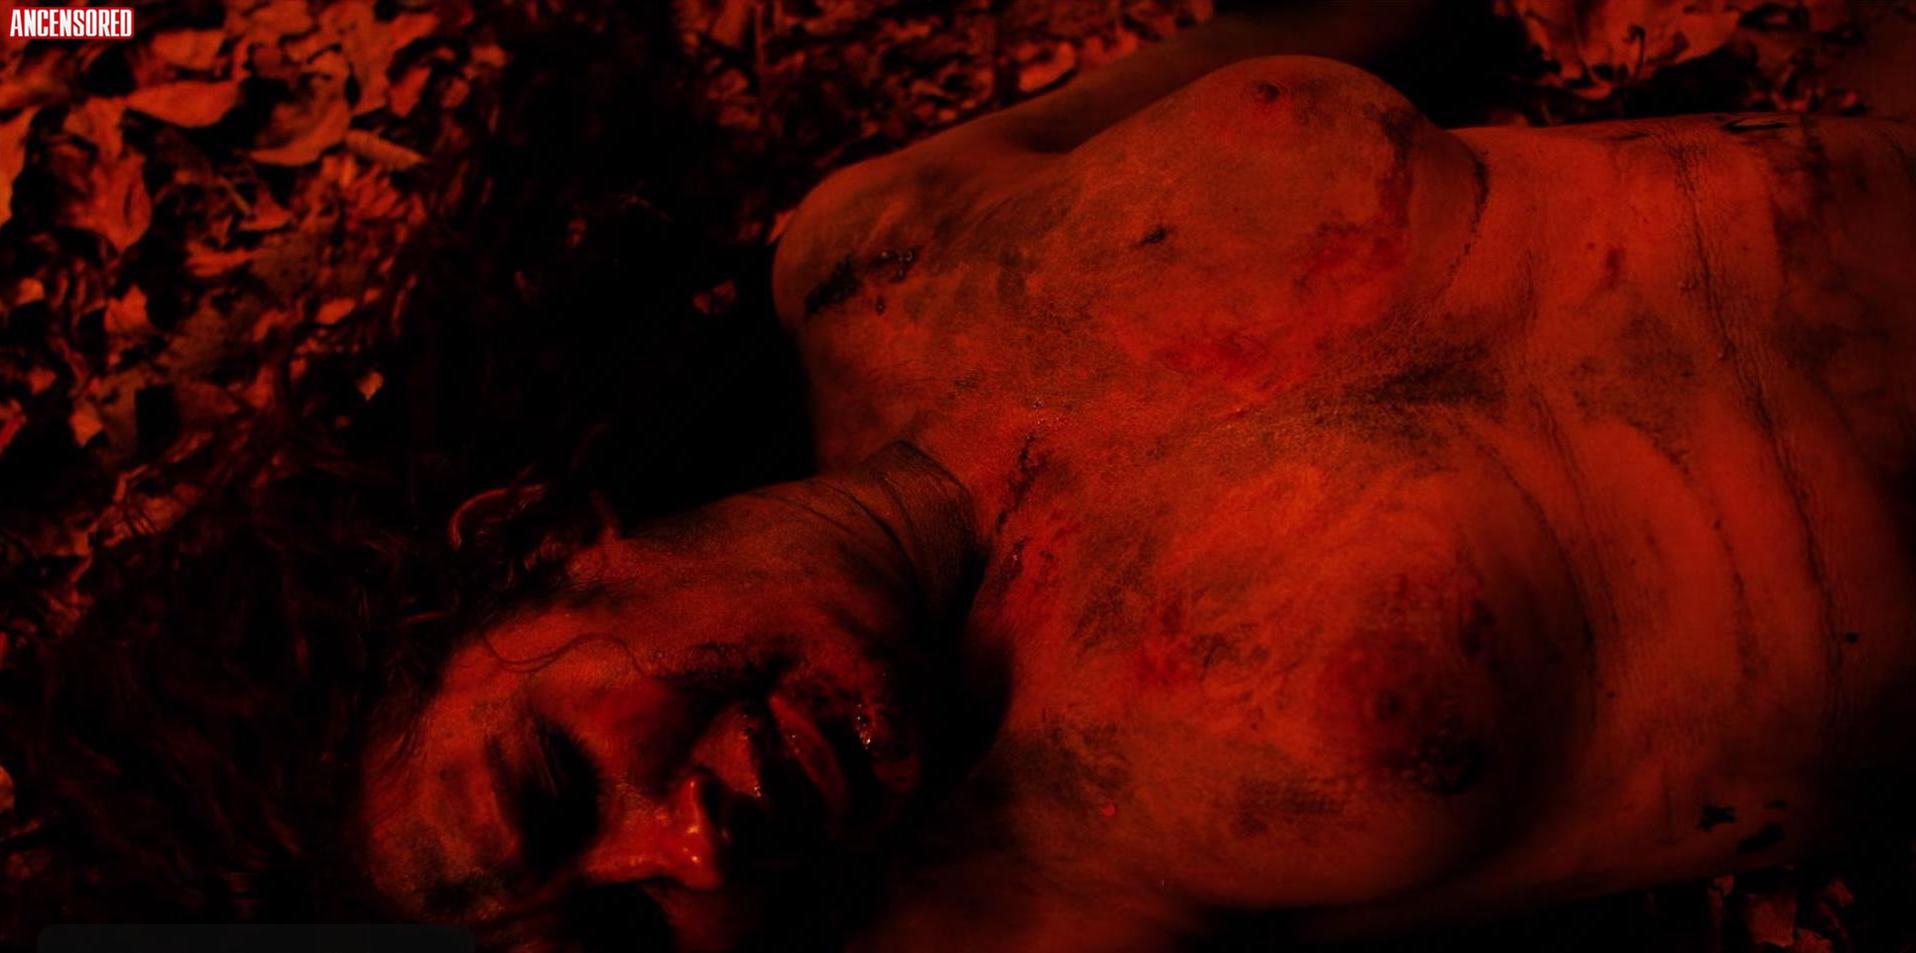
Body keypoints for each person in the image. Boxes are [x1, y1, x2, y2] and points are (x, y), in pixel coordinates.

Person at [355, 6, 1916, 951]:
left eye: (560, 782)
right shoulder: (1007, 899)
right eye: (631, 935)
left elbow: (1371, 14)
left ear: (555, 549)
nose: (689, 849)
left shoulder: (866, 250)